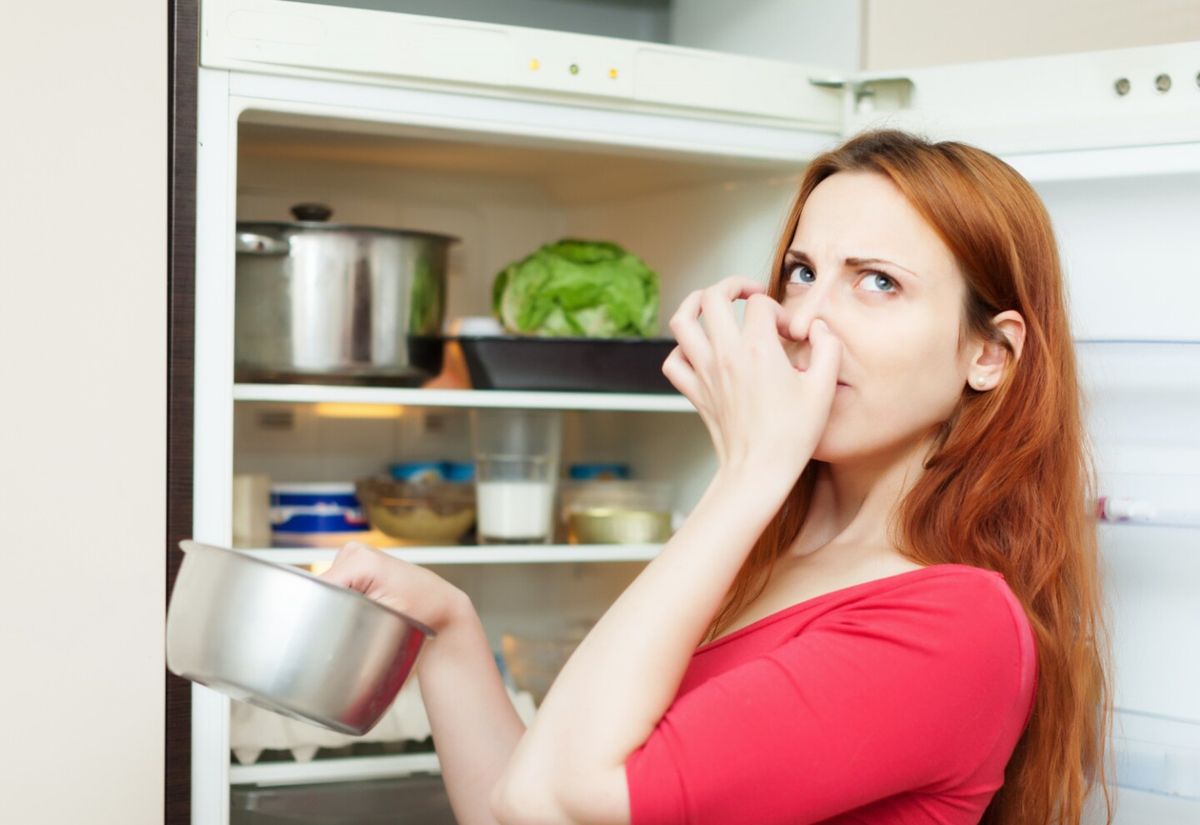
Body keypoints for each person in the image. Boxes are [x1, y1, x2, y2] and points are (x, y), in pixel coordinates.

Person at [322, 129, 1115, 825]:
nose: (803, 322)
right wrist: (449, 630)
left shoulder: (953, 624)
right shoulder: (764, 558)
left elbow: (551, 802)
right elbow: (530, 798)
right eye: (802, 272)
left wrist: (750, 470)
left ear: (989, 354)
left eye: (878, 281)